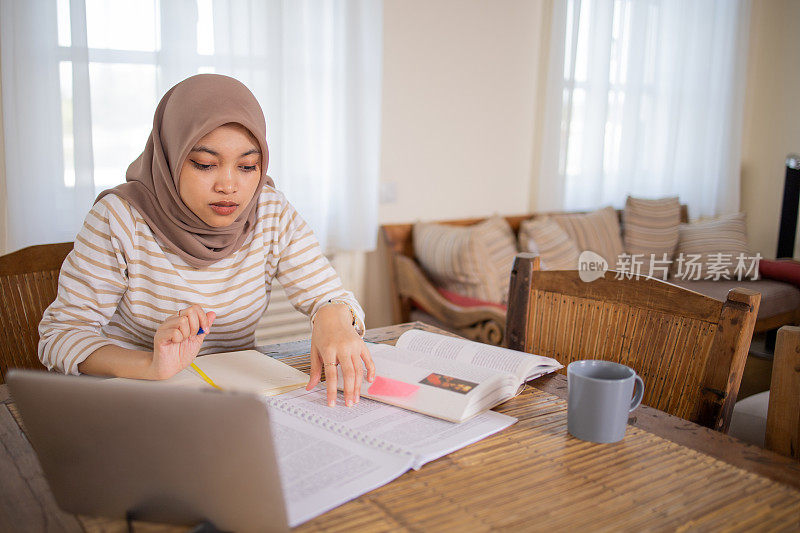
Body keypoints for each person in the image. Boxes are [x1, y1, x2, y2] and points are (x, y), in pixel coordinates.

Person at [38, 74, 374, 407]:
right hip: (133, 400)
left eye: (247, 166)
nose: (228, 185)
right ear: (169, 157)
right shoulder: (119, 218)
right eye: (205, 164)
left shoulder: (269, 211)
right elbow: (61, 336)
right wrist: (152, 366)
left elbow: (332, 297)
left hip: (232, 402)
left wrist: (333, 314)